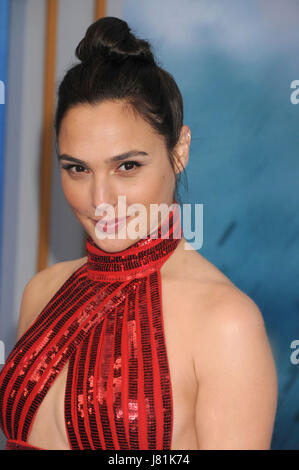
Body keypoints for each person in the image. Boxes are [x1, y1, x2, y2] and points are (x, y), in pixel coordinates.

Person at [0, 17, 277, 450]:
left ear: (179, 151)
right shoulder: (41, 291)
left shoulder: (226, 323)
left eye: (127, 166)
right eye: (77, 168)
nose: (100, 198)